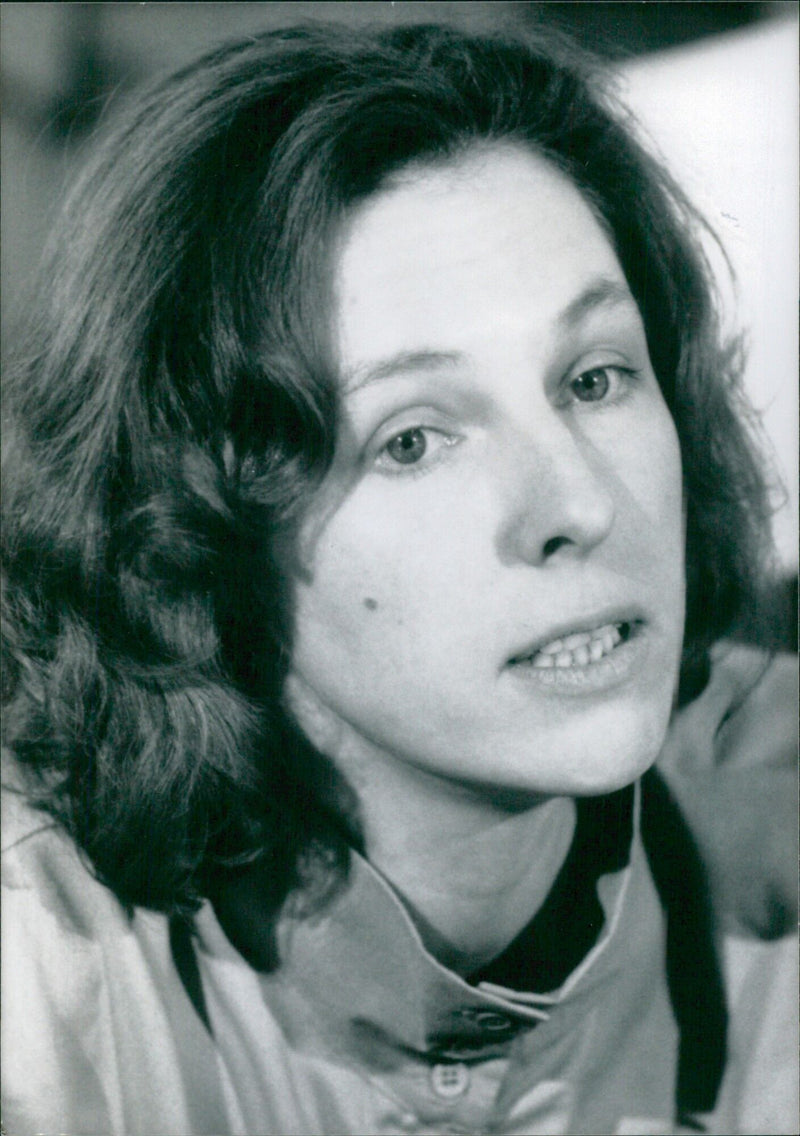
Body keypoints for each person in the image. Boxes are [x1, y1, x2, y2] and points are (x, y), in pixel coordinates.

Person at [1, 21, 796, 1136]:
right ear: (195, 523)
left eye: (595, 376)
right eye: (412, 438)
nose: (576, 504)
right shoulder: (35, 981)